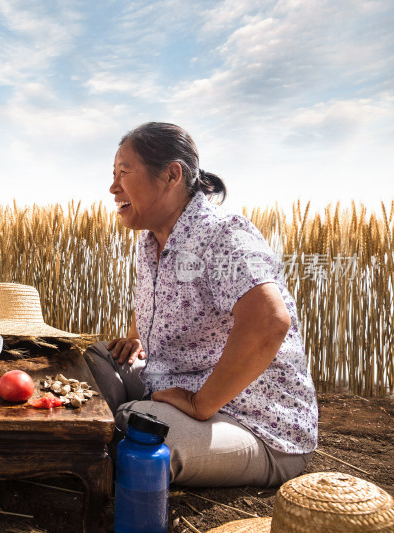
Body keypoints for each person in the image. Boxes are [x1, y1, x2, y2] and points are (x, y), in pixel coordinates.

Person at [86, 122, 318, 487]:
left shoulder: (224, 234)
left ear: (171, 175)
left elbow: (270, 320)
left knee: (132, 429)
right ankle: (125, 416)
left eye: (123, 173)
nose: (113, 187)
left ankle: (131, 421)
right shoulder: (150, 242)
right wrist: (136, 335)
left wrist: (200, 403)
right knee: (98, 360)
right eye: (113, 175)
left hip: (252, 420)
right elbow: (156, 297)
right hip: (172, 381)